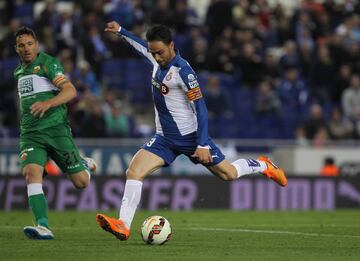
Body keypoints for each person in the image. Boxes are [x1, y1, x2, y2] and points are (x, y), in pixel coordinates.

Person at [96, 21, 287, 241]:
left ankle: (264, 165)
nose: (156, 57)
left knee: (229, 174)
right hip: (164, 139)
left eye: (159, 52)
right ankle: (123, 225)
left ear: (171, 45)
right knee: (134, 172)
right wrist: (121, 32)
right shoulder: (155, 57)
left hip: (191, 138)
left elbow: (201, 109)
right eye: (153, 53)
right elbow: (140, 45)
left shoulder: (184, 72)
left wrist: (203, 143)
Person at [14, 27, 97, 240]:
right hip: (30, 134)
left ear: (37, 45)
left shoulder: (48, 64)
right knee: (31, 174)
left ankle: (84, 164)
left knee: (81, 183)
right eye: (21, 45)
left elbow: (70, 90)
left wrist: (48, 103)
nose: (26, 49)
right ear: (16, 48)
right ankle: (43, 226)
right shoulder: (18, 72)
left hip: (56, 130)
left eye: (30, 44)